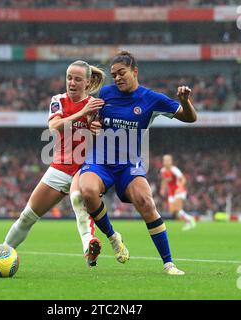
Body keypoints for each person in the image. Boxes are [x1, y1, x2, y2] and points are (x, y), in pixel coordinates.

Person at [0, 60, 110, 271]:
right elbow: (54, 127)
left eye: (77, 79)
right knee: (27, 216)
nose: (71, 83)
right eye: (69, 78)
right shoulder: (58, 100)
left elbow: (102, 135)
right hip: (60, 167)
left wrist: (97, 129)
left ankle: (89, 247)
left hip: (86, 168)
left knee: (77, 199)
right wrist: (82, 114)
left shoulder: (97, 104)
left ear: (88, 81)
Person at [79, 50, 197, 275]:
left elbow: (190, 118)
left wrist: (185, 102)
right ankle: (113, 237)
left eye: (121, 73)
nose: (117, 78)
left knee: (146, 202)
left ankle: (168, 263)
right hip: (100, 160)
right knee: (87, 191)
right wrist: (91, 125)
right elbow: (89, 120)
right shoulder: (105, 94)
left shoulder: (151, 99)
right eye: (114, 75)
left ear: (135, 71)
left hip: (129, 164)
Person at [159, 154, 196, 231]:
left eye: (168, 160)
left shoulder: (174, 170)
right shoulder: (162, 170)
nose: (166, 162)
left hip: (179, 191)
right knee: (173, 211)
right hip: (171, 192)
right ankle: (188, 219)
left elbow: (183, 179)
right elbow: (164, 180)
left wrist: (180, 187)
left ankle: (190, 220)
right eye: (164, 160)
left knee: (178, 208)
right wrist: (162, 189)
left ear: (171, 161)